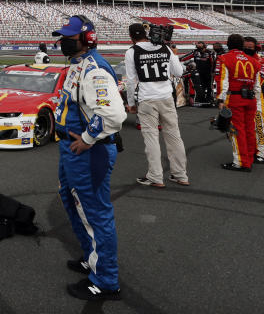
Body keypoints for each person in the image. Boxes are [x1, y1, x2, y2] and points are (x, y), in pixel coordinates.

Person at [51, 15, 126, 302]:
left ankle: (106, 281)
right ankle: (90, 258)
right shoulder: (76, 65)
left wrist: (88, 138)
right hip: (71, 150)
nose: (63, 41)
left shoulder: (94, 70)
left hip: (89, 152)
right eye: (63, 36)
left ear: (87, 38)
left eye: (69, 36)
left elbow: (113, 115)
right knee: (72, 203)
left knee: (94, 214)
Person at [124, 24, 189, 188]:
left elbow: (131, 81)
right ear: (146, 33)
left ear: (131, 36)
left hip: (147, 99)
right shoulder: (165, 48)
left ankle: (155, 176)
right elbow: (179, 72)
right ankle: (181, 175)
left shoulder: (132, 52)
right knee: (174, 136)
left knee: (151, 138)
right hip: (166, 97)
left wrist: (131, 103)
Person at [213, 34, 262, 172]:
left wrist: (220, 99)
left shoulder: (223, 58)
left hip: (235, 98)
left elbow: (222, 81)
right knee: (249, 129)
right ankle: (249, 157)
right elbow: (258, 85)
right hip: (251, 98)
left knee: (236, 130)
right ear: (241, 45)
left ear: (228, 45)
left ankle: (241, 162)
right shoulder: (253, 60)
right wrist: (256, 100)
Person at [243, 37, 264, 165]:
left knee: (259, 124)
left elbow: (259, 80)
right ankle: (253, 150)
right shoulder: (242, 60)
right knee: (247, 125)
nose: (248, 49)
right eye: (246, 47)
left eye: (250, 47)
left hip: (257, 95)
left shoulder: (262, 61)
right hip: (243, 96)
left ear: (256, 48)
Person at [180, 41, 216, 106]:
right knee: (201, 86)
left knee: (209, 86)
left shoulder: (210, 53)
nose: (198, 45)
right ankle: (201, 99)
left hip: (208, 73)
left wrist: (213, 72)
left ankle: (209, 99)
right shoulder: (195, 52)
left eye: (200, 44)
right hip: (199, 72)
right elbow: (185, 57)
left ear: (204, 45)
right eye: (197, 44)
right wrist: (178, 59)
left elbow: (213, 63)